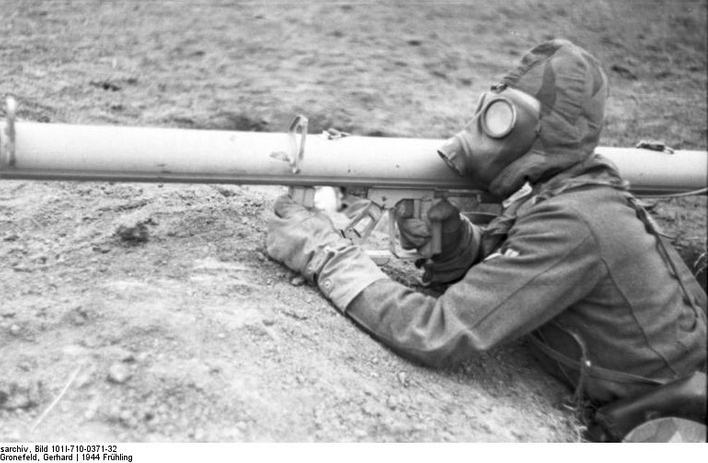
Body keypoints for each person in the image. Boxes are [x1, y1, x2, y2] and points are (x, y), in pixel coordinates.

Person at [265, 39, 707, 434]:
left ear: (533, 128)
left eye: (500, 117)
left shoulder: (575, 221)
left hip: (666, 423)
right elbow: (511, 274)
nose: (483, 128)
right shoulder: (567, 189)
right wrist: (446, 238)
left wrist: (325, 254)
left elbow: (436, 332)